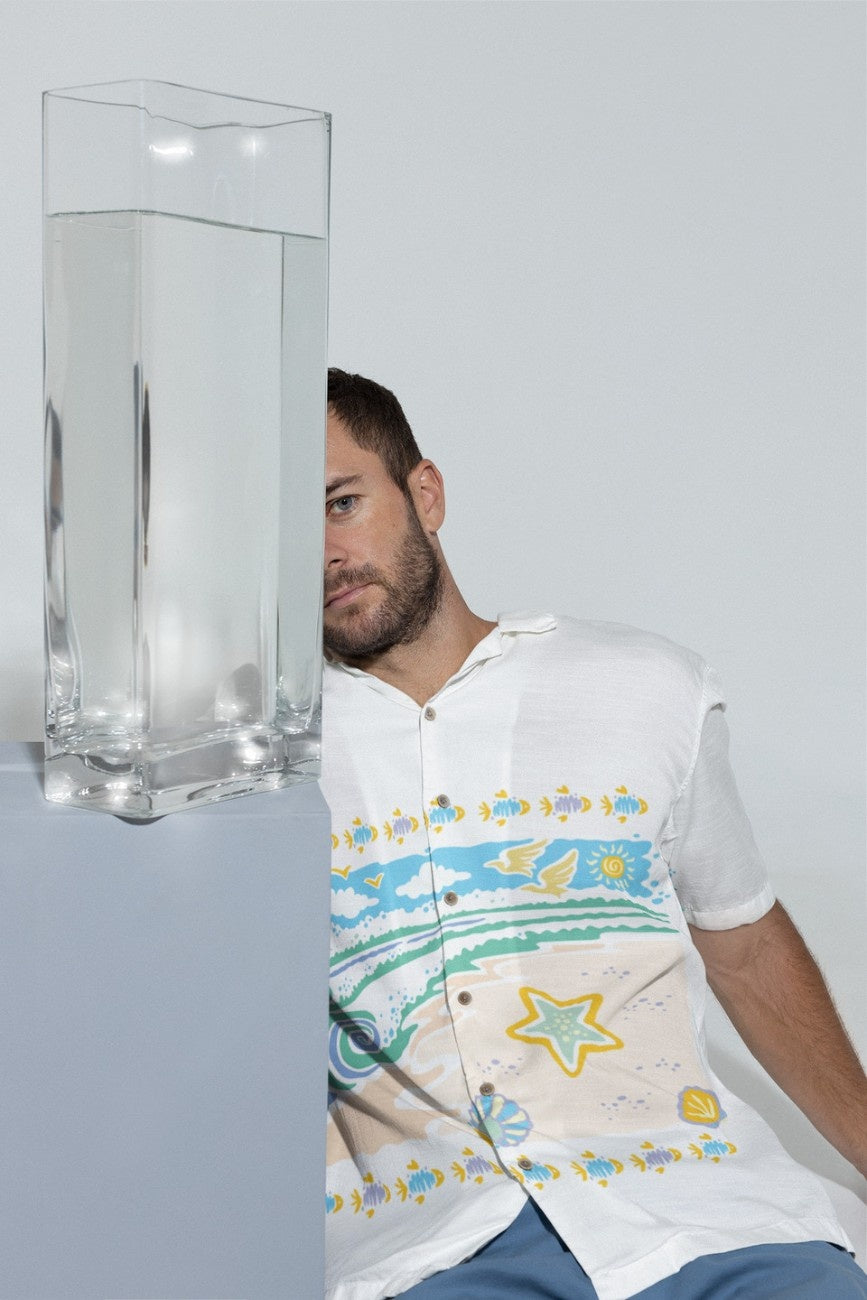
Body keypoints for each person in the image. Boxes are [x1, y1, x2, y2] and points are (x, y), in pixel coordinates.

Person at [320, 368, 867, 1300]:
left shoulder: (640, 686)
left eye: (342, 503)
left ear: (425, 493)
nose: (325, 553)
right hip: (435, 1247)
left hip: (705, 1216)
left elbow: (742, 944)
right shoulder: (259, 760)